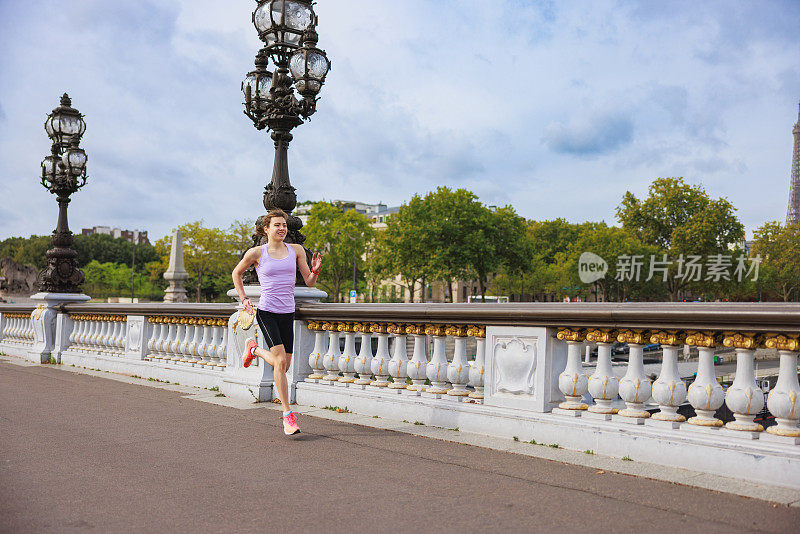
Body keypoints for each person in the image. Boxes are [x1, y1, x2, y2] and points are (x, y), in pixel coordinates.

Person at [232, 209, 322, 435]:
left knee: (284, 365)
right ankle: (287, 415)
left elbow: (309, 282)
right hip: (267, 312)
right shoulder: (256, 253)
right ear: (266, 229)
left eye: (284, 225)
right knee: (281, 362)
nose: (282, 228)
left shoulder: (296, 250)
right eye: (277, 225)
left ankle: (253, 349)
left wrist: (315, 271)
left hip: (287, 312)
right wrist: (244, 299)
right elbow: (236, 273)